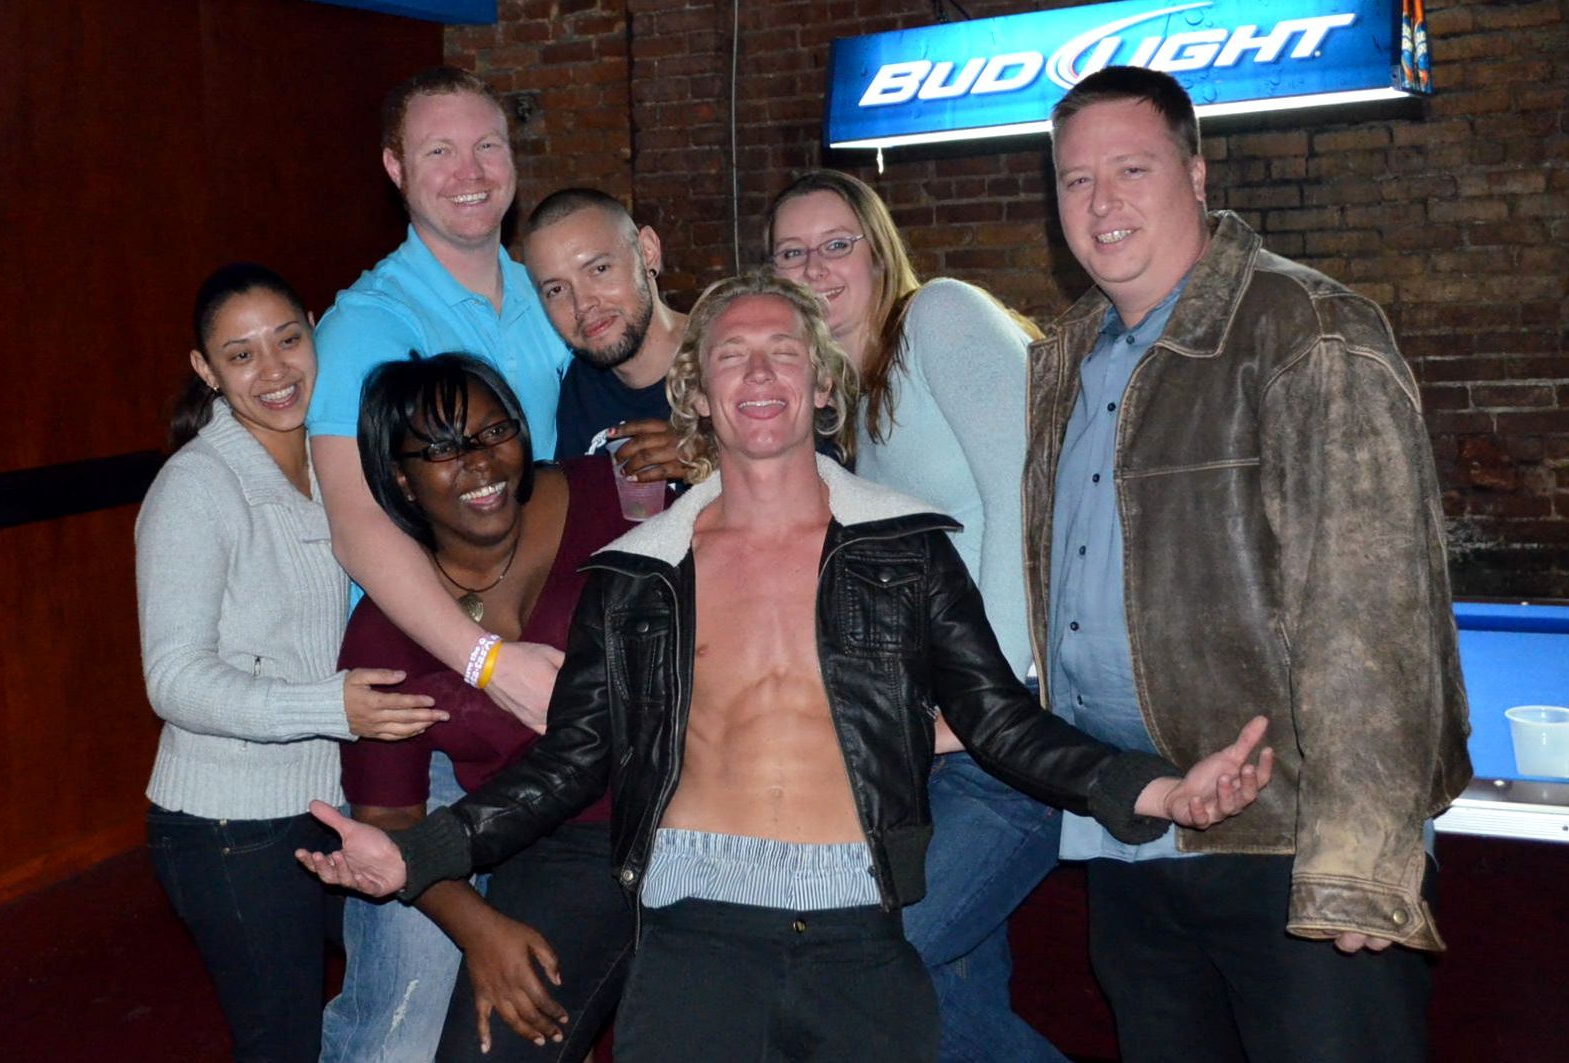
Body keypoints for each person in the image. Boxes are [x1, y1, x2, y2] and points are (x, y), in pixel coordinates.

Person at [297, 271, 1275, 1063]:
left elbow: (997, 718)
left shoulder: (903, 550)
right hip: (691, 935)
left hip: (857, 931)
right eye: (732, 354)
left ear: (821, 384)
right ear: (696, 392)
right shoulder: (636, 573)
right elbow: (572, 757)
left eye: (784, 352)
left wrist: (1151, 789)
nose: (759, 373)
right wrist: (422, 854)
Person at [1030, 66, 1472, 1062]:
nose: (1099, 202)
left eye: (1130, 169)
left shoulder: (1305, 328)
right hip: (1132, 830)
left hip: (1287, 841)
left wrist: (1357, 859)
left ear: (1195, 175)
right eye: (1074, 179)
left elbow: (1372, 616)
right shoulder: (1067, 357)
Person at [767, 169, 1064, 1063]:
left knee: (857, 970)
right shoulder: (853, 408)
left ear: (878, 251)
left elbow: (1030, 494)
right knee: (934, 1021)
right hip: (929, 750)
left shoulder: (937, 315)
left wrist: (985, 705)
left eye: (836, 244)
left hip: (1004, 744)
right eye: (790, 253)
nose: (814, 267)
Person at [136, 263, 443, 1062]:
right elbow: (173, 678)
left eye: (286, 340)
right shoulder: (196, 487)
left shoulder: (332, 459)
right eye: (240, 355)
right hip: (227, 826)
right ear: (206, 369)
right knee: (282, 1042)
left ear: (314, 329)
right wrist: (331, 705)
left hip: (330, 802)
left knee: (410, 989)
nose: (273, 371)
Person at [328, 353, 633, 1062]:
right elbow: (390, 817)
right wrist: (479, 929)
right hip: (554, 846)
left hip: (691, 815)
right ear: (400, 478)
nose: (479, 461)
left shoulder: (613, 491)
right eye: (439, 449)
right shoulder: (386, 625)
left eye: (494, 431)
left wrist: (696, 449)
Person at [308, 65, 571, 739]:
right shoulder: (365, 325)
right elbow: (357, 523)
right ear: (395, 169)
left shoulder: (552, 295)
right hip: (434, 677)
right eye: (439, 151)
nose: (470, 172)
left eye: (487, 145)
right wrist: (489, 663)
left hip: (546, 637)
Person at [521, 187, 688, 481]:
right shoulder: (569, 393)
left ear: (647, 251)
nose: (582, 304)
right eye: (556, 290)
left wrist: (715, 460)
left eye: (599, 269)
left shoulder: (732, 363)